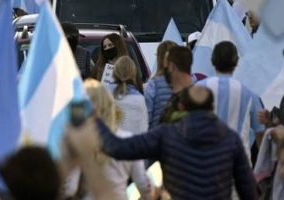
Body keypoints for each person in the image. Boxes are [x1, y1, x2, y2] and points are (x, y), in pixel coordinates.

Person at [96, 86, 256, 200]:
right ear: (212, 107)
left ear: (181, 106)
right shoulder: (231, 139)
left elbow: (117, 147)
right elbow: (248, 188)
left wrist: (94, 118)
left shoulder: (166, 134)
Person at [74, 80, 152, 200]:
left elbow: (69, 187)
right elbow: (144, 186)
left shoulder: (77, 141)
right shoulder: (128, 139)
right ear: (110, 105)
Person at [199, 41, 266, 156]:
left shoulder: (197, 89)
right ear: (236, 62)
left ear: (212, 61)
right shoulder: (249, 94)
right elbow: (260, 133)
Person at [106, 56, 148, 135]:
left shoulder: (104, 93)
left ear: (115, 72)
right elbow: (143, 130)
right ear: (133, 73)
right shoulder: (140, 99)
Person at [160, 45, 195, 124]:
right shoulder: (194, 97)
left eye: (165, 65)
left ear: (172, 67)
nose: (164, 70)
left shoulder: (182, 103)